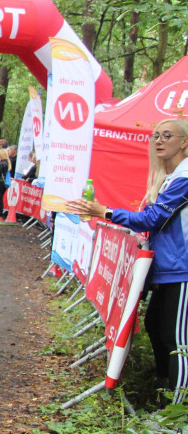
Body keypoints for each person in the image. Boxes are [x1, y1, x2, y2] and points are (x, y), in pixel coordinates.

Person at [66, 118, 188, 403]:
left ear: (184, 142)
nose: (158, 140)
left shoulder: (185, 177)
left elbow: (153, 219)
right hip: (165, 269)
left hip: (182, 271)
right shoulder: (170, 177)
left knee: (177, 342)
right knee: (156, 329)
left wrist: (105, 212)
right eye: (155, 135)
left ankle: (178, 410)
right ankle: (162, 388)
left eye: (166, 135)